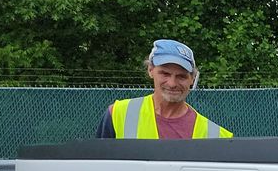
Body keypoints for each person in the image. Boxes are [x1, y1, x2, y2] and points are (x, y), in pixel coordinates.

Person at [96, 39, 233, 140]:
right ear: (151, 70)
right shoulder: (118, 114)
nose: (172, 83)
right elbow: (98, 170)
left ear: (192, 78)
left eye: (181, 76)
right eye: (165, 74)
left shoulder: (218, 137)